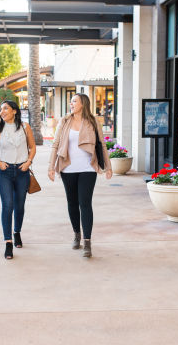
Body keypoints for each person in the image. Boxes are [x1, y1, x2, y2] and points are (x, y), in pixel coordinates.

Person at [48, 93, 112, 258]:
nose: (71, 104)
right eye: (70, 101)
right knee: (72, 202)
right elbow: (55, 144)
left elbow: (102, 144)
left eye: (74, 101)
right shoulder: (65, 121)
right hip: (67, 167)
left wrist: (108, 166)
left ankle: (87, 242)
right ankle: (76, 234)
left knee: (85, 203)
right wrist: (51, 166)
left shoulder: (92, 122)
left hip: (88, 168)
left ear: (83, 103)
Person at [0, 100, 36, 259]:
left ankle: (17, 232)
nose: (2, 111)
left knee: (19, 206)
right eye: (1, 109)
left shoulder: (25, 127)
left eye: (5, 108)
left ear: (15, 111)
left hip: (22, 171)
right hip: (5, 172)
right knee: (7, 206)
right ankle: (8, 242)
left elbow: (32, 147)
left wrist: (28, 162)